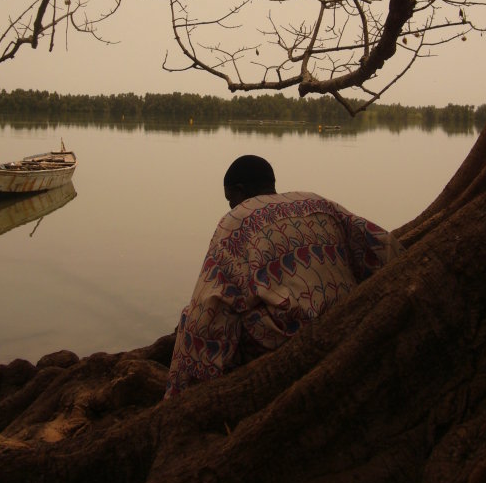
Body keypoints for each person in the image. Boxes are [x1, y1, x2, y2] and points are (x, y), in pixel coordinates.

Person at [164, 155, 404, 398]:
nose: (231, 206)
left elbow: (210, 304)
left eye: (230, 200)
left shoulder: (237, 221)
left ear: (240, 190)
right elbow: (383, 245)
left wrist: (185, 381)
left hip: (288, 341)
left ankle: (181, 399)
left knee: (193, 316)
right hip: (345, 318)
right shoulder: (316, 203)